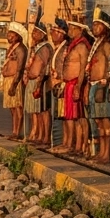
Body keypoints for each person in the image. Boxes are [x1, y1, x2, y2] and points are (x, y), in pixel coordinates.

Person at [57, 16, 91, 156]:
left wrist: (78, 85)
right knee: (69, 116)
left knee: (77, 117)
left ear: (79, 30)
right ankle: (70, 143)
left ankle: (78, 145)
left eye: (71, 28)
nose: (69, 30)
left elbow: (83, 68)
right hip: (68, 84)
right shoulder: (73, 44)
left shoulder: (82, 46)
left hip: (76, 83)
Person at [87, 8, 110, 162]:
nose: (94, 28)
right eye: (93, 25)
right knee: (98, 121)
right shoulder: (96, 43)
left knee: (106, 121)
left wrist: (107, 80)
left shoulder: (108, 44)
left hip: (103, 86)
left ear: (105, 27)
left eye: (98, 25)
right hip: (94, 85)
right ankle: (101, 152)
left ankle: (107, 153)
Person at [23, 21, 53, 145]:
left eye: (36, 32)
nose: (33, 34)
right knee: (35, 111)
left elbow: (44, 66)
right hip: (32, 81)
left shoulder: (45, 47)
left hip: (40, 82)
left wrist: (39, 83)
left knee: (43, 111)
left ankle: (45, 136)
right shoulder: (36, 47)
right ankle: (38, 134)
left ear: (42, 34)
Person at [0, 21, 29, 140]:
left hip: (14, 80)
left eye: (12, 34)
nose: (9, 36)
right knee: (11, 108)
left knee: (17, 107)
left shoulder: (21, 49)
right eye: (8, 34)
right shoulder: (11, 48)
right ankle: (14, 131)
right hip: (8, 79)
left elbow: (20, 68)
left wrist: (14, 84)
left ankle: (18, 132)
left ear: (18, 36)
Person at [43, 19, 68, 148]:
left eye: (54, 32)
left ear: (61, 34)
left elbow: (66, 67)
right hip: (55, 85)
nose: (52, 34)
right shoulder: (57, 48)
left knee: (65, 116)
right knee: (58, 114)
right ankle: (60, 142)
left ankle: (65, 142)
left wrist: (60, 79)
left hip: (62, 85)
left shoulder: (65, 48)